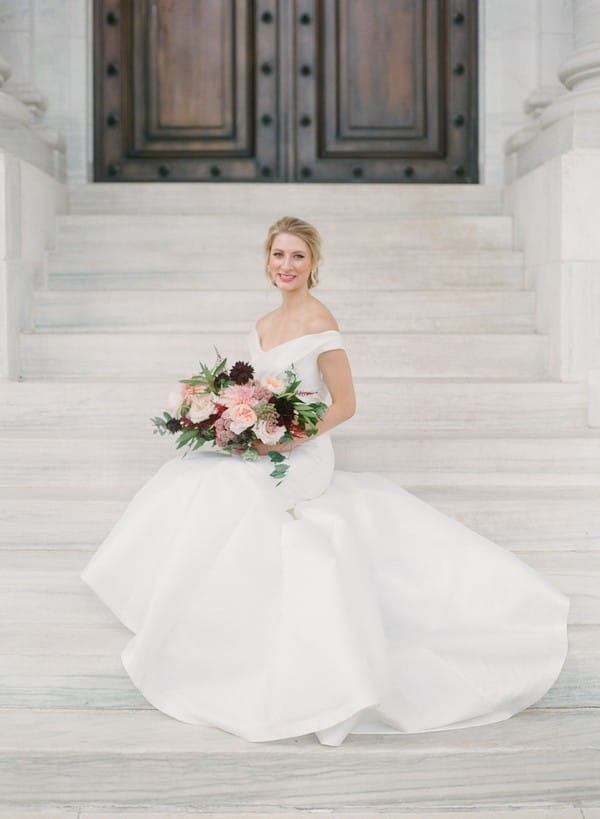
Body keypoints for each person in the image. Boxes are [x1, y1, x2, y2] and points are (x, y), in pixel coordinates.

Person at [80, 216, 570, 747]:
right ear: (266, 261)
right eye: (278, 255)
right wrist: (229, 421)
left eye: (297, 257)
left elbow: (346, 405)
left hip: (304, 454)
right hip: (261, 443)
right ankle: (192, 621)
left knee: (233, 491)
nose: (286, 266)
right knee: (187, 478)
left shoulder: (321, 321)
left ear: (313, 264)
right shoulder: (263, 323)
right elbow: (255, 390)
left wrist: (289, 439)